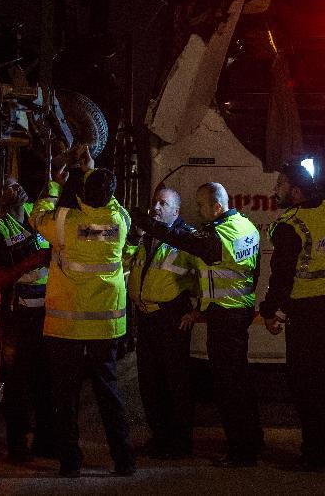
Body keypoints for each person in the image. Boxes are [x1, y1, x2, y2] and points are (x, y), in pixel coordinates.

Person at [132, 182, 263, 467]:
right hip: (233, 313)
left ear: (217, 206)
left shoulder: (216, 237)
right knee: (237, 384)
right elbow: (251, 273)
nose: (199, 211)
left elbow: (190, 248)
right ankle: (250, 443)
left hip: (223, 317)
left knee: (229, 387)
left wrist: (197, 309)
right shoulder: (246, 227)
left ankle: (241, 451)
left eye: (201, 205)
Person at [30, 149, 136, 478]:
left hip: (65, 328)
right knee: (109, 393)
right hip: (106, 326)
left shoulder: (64, 222)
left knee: (66, 397)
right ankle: (124, 460)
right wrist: (93, 171)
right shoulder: (118, 221)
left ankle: (70, 463)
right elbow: (115, 203)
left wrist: (54, 184)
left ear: (80, 196)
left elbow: (37, 216)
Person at [259, 162, 325, 470]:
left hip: (306, 311)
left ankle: (315, 455)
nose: (276, 190)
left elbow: (281, 277)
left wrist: (269, 311)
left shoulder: (291, 225)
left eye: (281, 185)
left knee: (305, 384)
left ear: (296, 192)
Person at [0, 177, 54, 462]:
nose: (16, 188)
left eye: (15, 183)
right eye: (7, 187)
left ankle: (46, 442)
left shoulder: (39, 215)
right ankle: (18, 446)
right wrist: (31, 261)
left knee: (47, 380)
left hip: (49, 312)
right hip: (17, 317)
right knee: (19, 384)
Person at [126, 187, 198, 459]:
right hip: (146, 318)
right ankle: (159, 438)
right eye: (154, 202)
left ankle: (180, 443)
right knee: (150, 383)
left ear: (176, 212)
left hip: (171, 317)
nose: (155, 207)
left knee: (175, 383)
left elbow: (205, 275)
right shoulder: (147, 235)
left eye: (163, 204)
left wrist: (197, 310)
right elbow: (125, 260)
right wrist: (135, 236)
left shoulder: (185, 238)